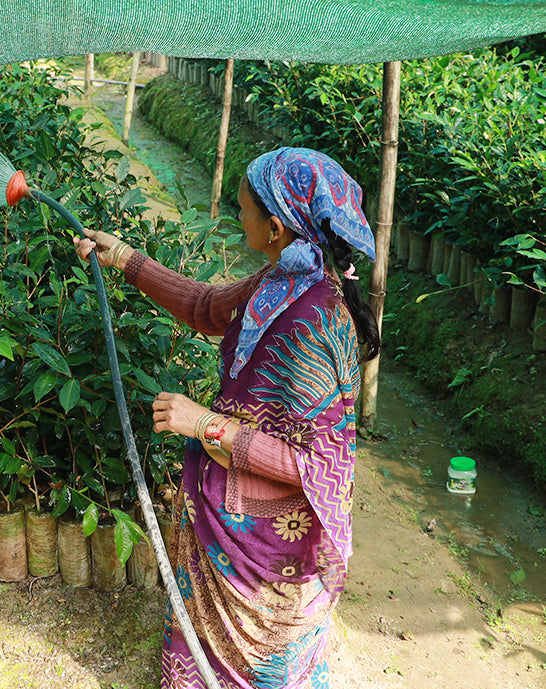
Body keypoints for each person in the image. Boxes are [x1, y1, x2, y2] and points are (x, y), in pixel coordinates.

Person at [74, 148, 380, 689]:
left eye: (242, 209)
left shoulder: (313, 323)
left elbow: (312, 462)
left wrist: (204, 424)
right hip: (228, 516)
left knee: (260, 674)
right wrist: (123, 257)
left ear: (276, 227)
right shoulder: (281, 280)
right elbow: (205, 308)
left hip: (268, 543)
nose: (235, 216)